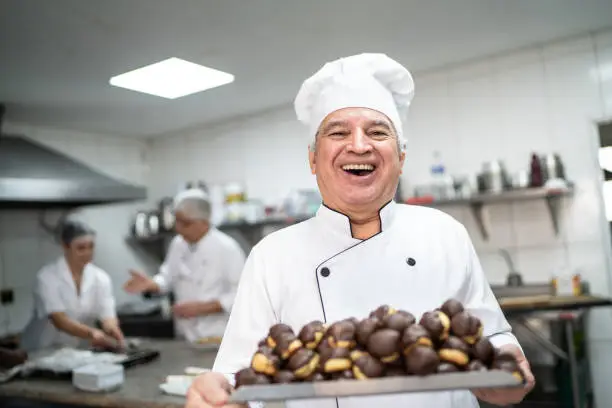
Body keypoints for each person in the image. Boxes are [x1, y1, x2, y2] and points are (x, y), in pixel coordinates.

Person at [185, 53, 535, 408]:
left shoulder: (445, 234)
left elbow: (490, 336)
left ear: (401, 159)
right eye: (338, 132)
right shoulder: (271, 255)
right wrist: (217, 395)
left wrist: (510, 364)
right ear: (312, 159)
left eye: (377, 132)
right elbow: (240, 374)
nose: (359, 145)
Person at [124, 188, 246, 344]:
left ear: (204, 221)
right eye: (177, 221)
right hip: (184, 334)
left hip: (217, 335)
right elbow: (167, 276)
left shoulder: (228, 248)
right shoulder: (177, 244)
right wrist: (153, 284)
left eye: (186, 223)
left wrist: (203, 308)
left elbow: (240, 294)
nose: (178, 228)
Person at [20, 220, 124, 351]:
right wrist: (92, 333)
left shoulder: (101, 278)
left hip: (77, 351)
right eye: (81, 248)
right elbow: (59, 320)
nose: (87, 253)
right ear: (65, 246)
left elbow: (107, 314)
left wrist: (112, 329)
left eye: (91, 246)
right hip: (42, 350)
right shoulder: (47, 277)